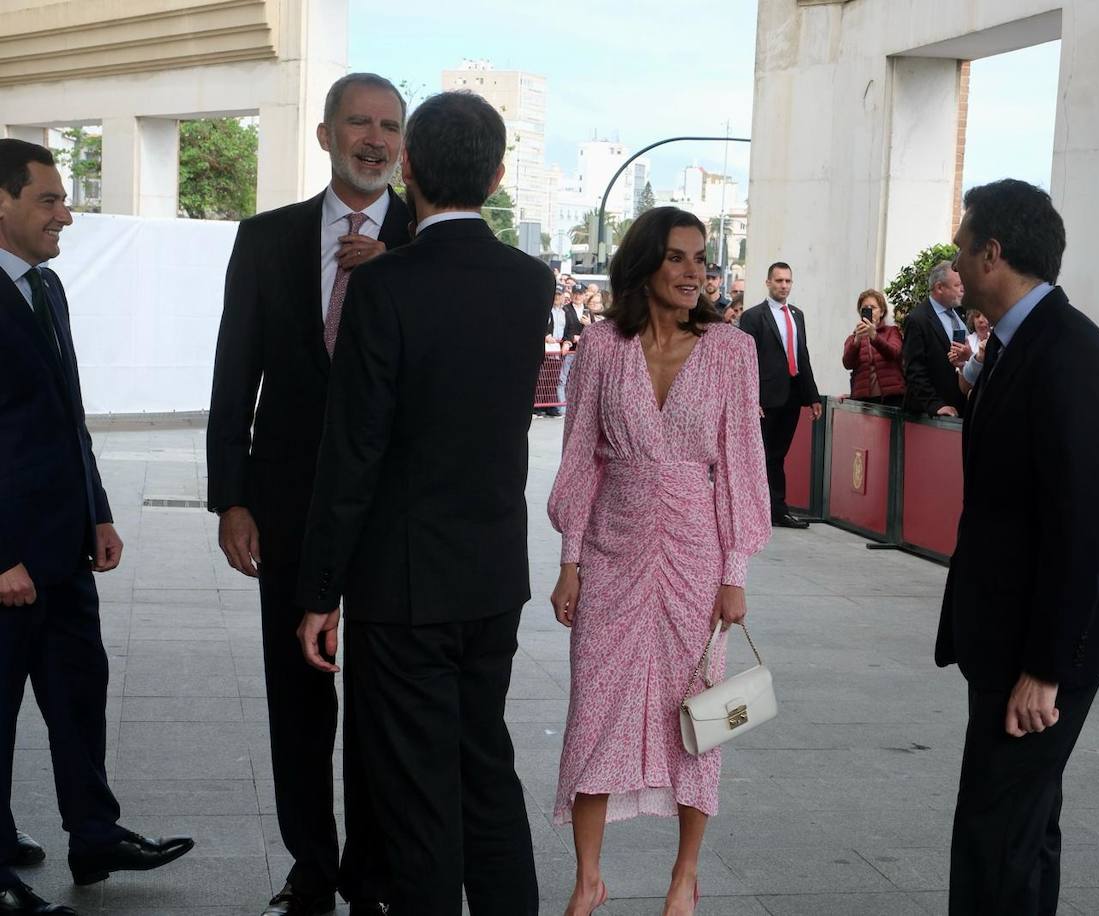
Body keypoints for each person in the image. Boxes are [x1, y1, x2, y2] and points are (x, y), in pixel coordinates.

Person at [293, 89, 546, 916]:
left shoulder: (387, 287)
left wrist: (318, 589)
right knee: (486, 768)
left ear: (408, 166)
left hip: (402, 587)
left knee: (416, 797)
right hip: (492, 575)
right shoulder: (529, 283)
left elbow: (353, 452)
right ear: (500, 174)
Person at [206, 72, 410, 916]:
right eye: (358, 123)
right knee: (297, 693)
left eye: (390, 127)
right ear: (325, 135)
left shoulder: (428, 242)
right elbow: (233, 375)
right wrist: (231, 498)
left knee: (381, 695)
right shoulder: (267, 238)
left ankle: (373, 868)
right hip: (287, 506)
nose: (375, 138)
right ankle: (311, 868)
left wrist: (397, 269)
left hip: (394, 512)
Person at [547, 206, 770, 916]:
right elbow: (579, 455)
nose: (693, 272)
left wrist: (735, 568)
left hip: (696, 559)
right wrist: (571, 559)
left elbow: (742, 464)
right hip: (612, 550)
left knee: (699, 716)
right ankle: (588, 878)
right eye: (677, 257)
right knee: (594, 708)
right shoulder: (603, 350)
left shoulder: (732, 350)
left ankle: (685, 876)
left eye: (701, 259)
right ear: (644, 263)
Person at [936, 179, 1099, 914]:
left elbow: (1084, 525)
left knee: (996, 837)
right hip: (1009, 637)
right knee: (1020, 830)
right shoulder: (1019, 344)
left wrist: (1045, 671)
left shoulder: (1070, 354)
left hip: (1044, 652)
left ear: (994, 253)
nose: (954, 260)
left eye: (963, 246)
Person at [0, 139, 195, 916]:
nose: (65, 215)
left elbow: (64, 415)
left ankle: (95, 833)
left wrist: (100, 509)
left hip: (66, 545)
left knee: (79, 695)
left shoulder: (46, 289)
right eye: (48, 199)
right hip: (10, 561)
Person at [738, 262, 822, 529]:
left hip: (792, 396)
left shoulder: (797, 315)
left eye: (787, 281)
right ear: (768, 283)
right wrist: (752, 398)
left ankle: (778, 510)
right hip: (765, 398)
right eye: (778, 281)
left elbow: (802, 356)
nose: (783, 286)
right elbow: (747, 360)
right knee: (761, 455)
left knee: (778, 455)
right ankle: (758, 510)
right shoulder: (753, 316)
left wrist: (813, 396)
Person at [902, 260, 968, 417]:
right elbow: (914, 370)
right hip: (930, 416)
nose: (962, 290)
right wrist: (935, 405)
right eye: (957, 285)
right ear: (939, 287)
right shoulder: (918, 319)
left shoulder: (959, 314)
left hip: (960, 410)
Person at [841, 288, 905, 406]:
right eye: (865, 308)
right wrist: (856, 341)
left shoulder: (892, 332)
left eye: (873, 307)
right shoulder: (854, 337)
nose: (869, 310)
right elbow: (847, 363)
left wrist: (874, 336)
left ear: (881, 312)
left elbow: (894, 353)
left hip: (891, 398)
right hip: (864, 400)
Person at [546, 287, 583, 416]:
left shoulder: (564, 312)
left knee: (556, 378)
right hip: (550, 348)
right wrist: (547, 335)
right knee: (550, 378)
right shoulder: (549, 310)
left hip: (562, 349)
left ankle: (554, 406)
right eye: (556, 295)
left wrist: (567, 341)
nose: (557, 297)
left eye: (560, 295)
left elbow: (567, 330)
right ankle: (549, 407)